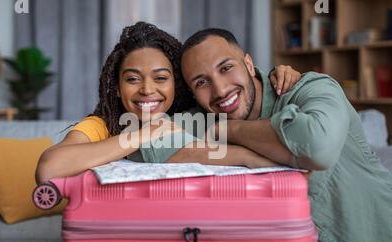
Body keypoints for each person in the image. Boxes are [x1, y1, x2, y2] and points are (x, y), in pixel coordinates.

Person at [175, 28, 392, 242]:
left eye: (225, 68)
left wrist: (228, 130)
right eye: (201, 82)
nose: (220, 90)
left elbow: (317, 148)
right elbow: (151, 142)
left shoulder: (309, 87)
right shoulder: (203, 120)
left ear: (248, 63)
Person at [35, 22, 300, 184]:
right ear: (116, 88)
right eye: (132, 79)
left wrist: (279, 74)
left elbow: (238, 93)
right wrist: (143, 135)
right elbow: (49, 169)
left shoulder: (193, 116)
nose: (147, 90)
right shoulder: (101, 126)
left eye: (161, 78)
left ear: (177, 83)